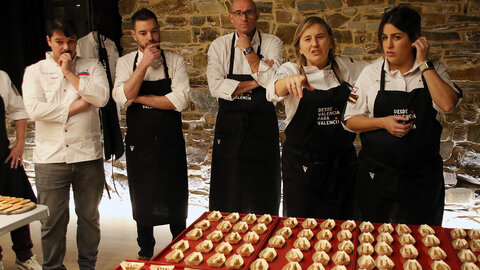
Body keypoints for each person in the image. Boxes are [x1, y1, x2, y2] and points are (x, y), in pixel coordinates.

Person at [344, 6, 460, 225]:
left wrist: (424, 64)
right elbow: (349, 120)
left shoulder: (434, 70)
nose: (388, 45)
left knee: (421, 244)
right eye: (384, 37)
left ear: (416, 40)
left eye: (397, 37)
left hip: (422, 180)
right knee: (374, 243)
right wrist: (382, 122)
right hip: (376, 178)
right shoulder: (370, 73)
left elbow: (447, 104)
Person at [22, 16, 109, 269]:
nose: (66, 48)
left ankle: (87, 266)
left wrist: (69, 72)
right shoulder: (34, 71)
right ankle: (53, 267)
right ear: (49, 41)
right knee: (52, 221)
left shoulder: (92, 66)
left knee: (90, 218)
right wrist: (77, 106)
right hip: (51, 159)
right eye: (60, 42)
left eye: (71, 42)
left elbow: (101, 97)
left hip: (87, 155)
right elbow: (36, 110)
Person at [266, 16, 366, 220]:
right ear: (299, 47)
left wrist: (355, 100)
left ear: (330, 42)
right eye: (308, 39)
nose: (315, 44)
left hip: (342, 165)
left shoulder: (348, 67)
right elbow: (272, 91)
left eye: (320, 37)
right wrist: (289, 82)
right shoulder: (291, 70)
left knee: (344, 229)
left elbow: (369, 79)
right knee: (301, 230)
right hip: (302, 168)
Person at [112, 8, 189, 260]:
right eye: (144, 33)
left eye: (154, 30)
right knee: (143, 200)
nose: (151, 37)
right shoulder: (125, 63)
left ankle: (180, 247)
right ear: (134, 35)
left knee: (176, 197)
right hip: (140, 146)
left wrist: (140, 97)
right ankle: (145, 251)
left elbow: (180, 100)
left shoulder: (175, 60)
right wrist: (143, 64)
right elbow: (122, 98)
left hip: (170, 143)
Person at [206, 0, 283, 215]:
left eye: (249, 12)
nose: (244, 17)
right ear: (231, 17)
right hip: (229, 130)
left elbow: (274, 82)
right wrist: (258, 80)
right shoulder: (218, 46)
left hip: (262, 127)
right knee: (227, 190)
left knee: (263, 191)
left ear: (257, 15)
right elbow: (215, 86)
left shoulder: (272, 43)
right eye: (238, 13)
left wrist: (248, 50)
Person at [0, 71, 41, 270]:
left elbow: (18, 111)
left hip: (2, 156)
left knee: (18, 206)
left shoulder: (1, 77)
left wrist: (20, 143)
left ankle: (24, 256)